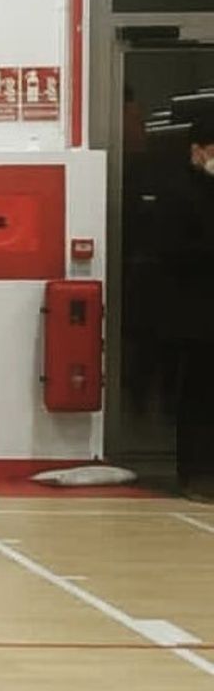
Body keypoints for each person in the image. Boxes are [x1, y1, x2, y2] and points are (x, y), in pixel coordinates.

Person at [157, 112, 214, 500]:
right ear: (197, 150)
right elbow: (170, 252)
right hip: (194, 316)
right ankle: (194, 474)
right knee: (196, 397)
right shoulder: (177, 192)